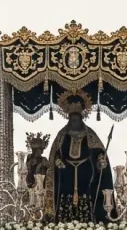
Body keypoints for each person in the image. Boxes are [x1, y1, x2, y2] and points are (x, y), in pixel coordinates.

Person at [46, 90, 114, 223]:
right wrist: (58, 161)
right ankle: (63, 223)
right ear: (69, 119)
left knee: (86, 198)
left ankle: (88, 222)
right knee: (65, 199)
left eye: (77, 118)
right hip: (65, 174)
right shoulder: (62, 135)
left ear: (81, 118)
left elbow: (99, 153)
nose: (74, 121)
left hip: (86, 173)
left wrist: (101, 162)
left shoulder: (90, 134)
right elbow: (56, 153)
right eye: (72, 118)